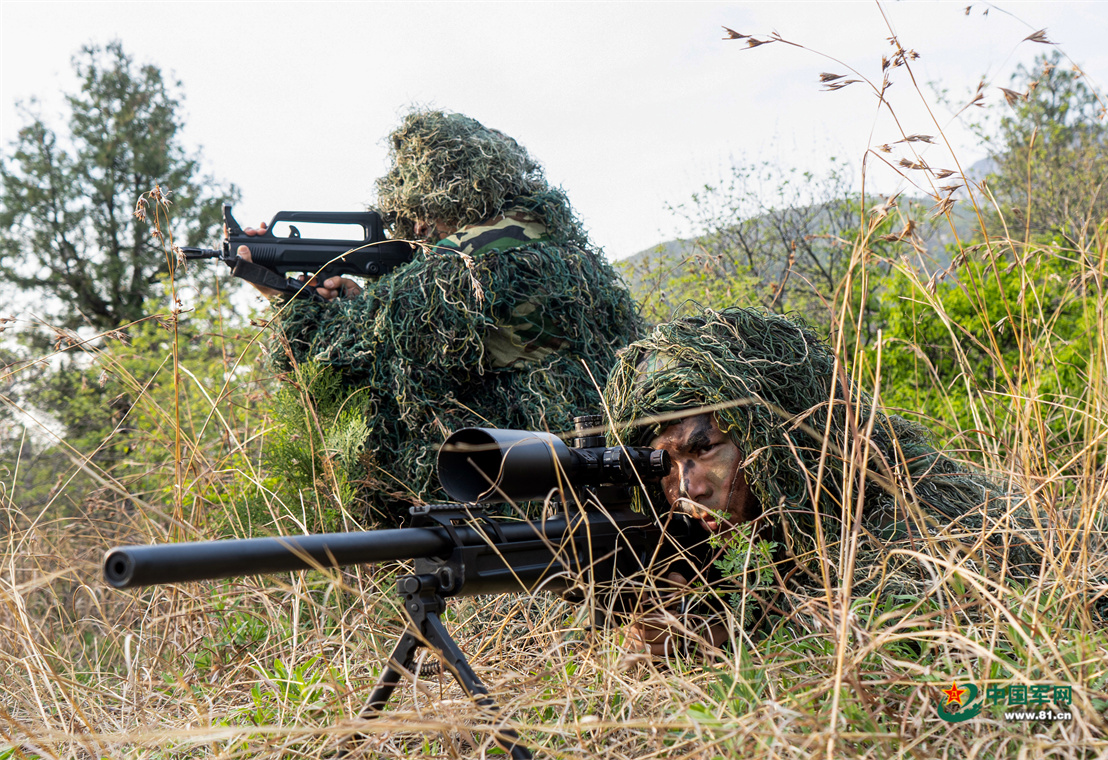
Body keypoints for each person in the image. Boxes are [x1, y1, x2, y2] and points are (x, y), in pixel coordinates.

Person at [237, 109, 643, 526]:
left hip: (527, 501)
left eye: (420, 212)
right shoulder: (556, 244)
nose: (417, 228)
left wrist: (279, 293)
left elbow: (328, 361)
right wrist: (358, 302)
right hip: (605, 473)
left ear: (447, 195)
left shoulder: (461, 262)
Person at [600, 307, 1041, 655]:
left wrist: (720, 635)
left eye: (706, 451)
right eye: (666, 464)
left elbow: (901, 625)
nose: (689, 489)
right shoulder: (680, 540)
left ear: (772, 439)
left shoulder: (888, 501)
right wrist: (646, 635)